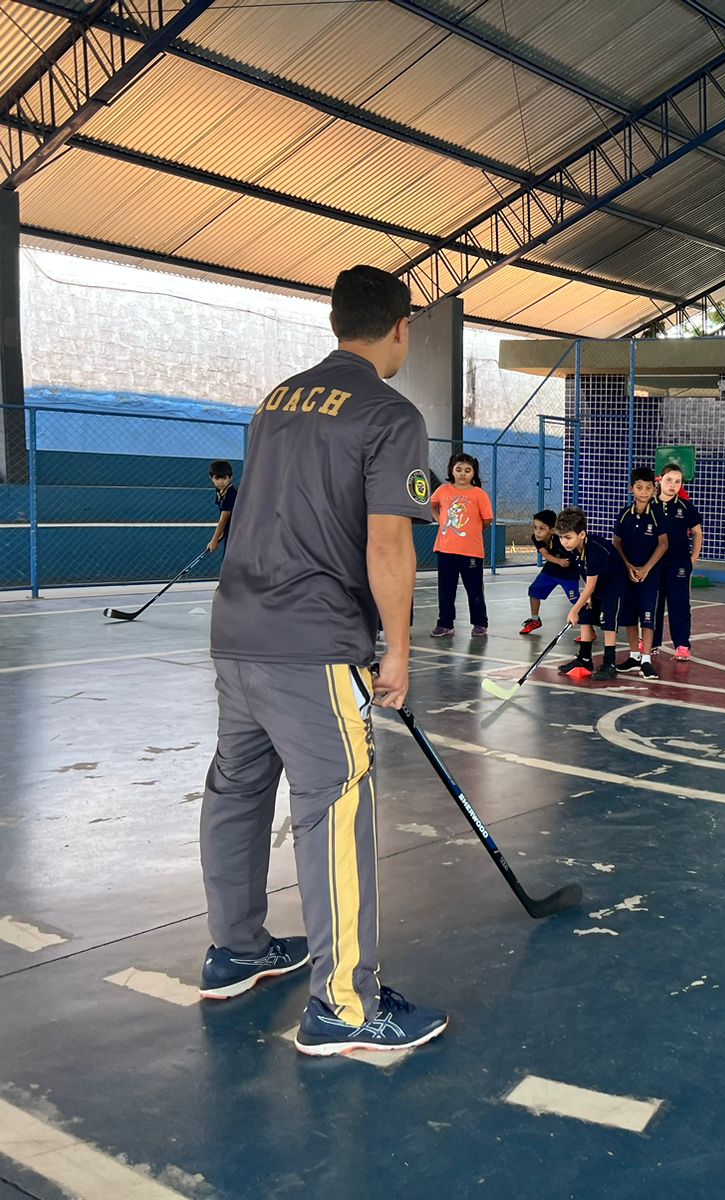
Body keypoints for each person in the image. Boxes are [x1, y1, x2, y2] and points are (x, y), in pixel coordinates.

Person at [199, 264, 447, 1056]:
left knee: (236, 788)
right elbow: (387, 541)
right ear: (400, 327)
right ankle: (342, 1007)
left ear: (336, 321)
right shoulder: (389, 411)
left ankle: (236, 949)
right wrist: (399, 650)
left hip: (237, 633)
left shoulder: (276, 402)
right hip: (311, 643)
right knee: (334, 804)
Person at [555, 506, 626, 680]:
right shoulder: (573, 548)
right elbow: (585, 575)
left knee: (608, 620)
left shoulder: (594, 550)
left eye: (568, 537)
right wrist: (586, 601)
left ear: (582, 534)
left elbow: (591, 584)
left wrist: (574, 609)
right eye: (561, 537)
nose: (564, 542)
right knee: (586, 615)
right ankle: (585, 659)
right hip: (596, 583)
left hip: (613, 585)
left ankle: (609, 663)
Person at [429, 452, 493, 638]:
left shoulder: (478, 494)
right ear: (452, 470)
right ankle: (445, 623)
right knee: (446, 590)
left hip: (471, 552)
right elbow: (432, 505)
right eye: (458, 470)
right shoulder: (443, 490)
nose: (463, 474)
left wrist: (471, 531)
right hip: (445, 550)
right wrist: (440, 521)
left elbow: (487, 519)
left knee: (474, 590)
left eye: (467, 470)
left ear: (474, 473)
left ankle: (480, 622)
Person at [612, 466, 668, 678]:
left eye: (648, 488)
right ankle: (634, 656)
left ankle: (646, 659)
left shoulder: (657, 516)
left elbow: (663, 544)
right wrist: (627, 566)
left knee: (647, 617)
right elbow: (617, 543)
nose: (643, 492)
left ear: (654, 490)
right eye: (639, 487)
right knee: (628, 616)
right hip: (628, 575)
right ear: (631, 489)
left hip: (649, 576)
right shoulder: (624, 515)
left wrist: (646, 569)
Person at [650, 462, 704, 661]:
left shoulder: (686, 507)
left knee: (679, 604)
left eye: (678, 482)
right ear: (660, 480)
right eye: (669, 480)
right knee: (653, 603)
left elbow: (697, 532)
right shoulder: (649, 505)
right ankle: (650, 642)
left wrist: (693, 558)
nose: (673, 485)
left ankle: (682, 645)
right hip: (654, 564)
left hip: (679, 563)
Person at [521, 508, 579, 635]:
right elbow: (545, 554)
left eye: (542, 528)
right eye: (535, 527)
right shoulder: (535, 538)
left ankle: (588, 629)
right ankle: (535, 620)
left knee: (576, 600)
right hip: (551, 569)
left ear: (552, 530)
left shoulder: (561, 540)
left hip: (568, 573)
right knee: (534, 590)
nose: (537, 532)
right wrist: (559, 562)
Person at [206, 460, 236, 556]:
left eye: (224, 478)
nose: (220, 482)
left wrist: (214, 540)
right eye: (217, 478)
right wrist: (222, 532)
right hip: (229, 530)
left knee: (229, 558)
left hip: (236, 532)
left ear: (230, 478)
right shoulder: (219, 490)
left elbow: (224, 519)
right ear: (211, 478)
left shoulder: (231, 494)